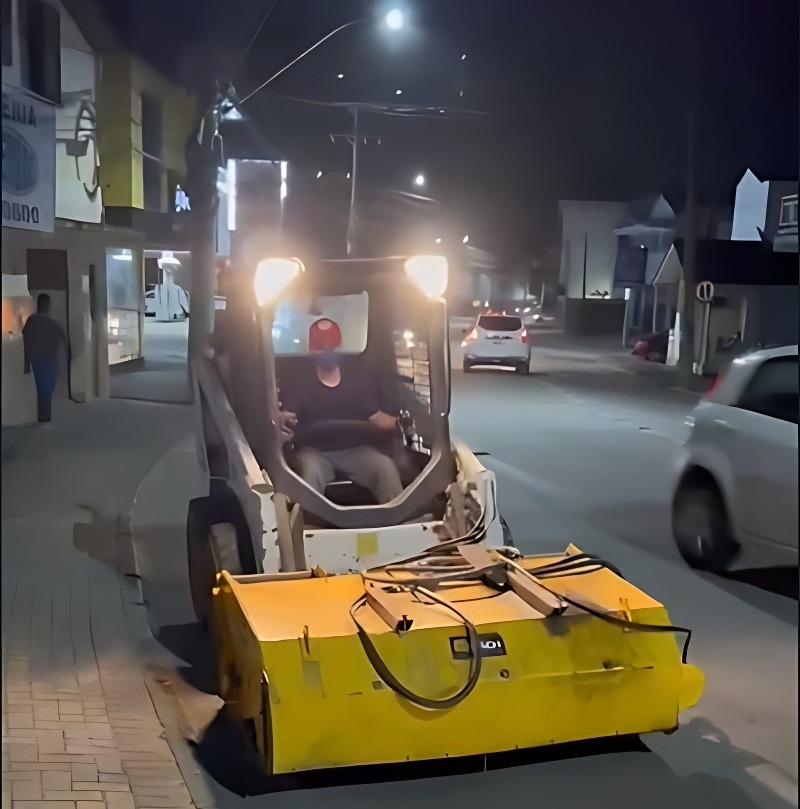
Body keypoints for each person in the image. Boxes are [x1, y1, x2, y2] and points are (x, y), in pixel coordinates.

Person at [279, 317, 404, 504]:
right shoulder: (299, 381)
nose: (328, 352)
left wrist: (400, 423)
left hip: (356, 450)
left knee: (385, 467)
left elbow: (375, 416)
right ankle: (305, 527)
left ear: (340, 346)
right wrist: (280, 421)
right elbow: (288, 418)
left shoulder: (358, 376)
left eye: (333, 346)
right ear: (312, 351)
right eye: (322, 348)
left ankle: (398, 524)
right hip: (314, 451)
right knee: (309, 472)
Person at [22, 293, 68, 424]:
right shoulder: (53, 324)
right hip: (48, 360)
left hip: (36, 360)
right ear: (48, 306)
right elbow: (65, 341)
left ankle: (42, 417)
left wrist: (26, 363)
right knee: (46, 391)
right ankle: (44, 418)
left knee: (40, 390)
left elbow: (24, 341)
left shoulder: (31, 321)